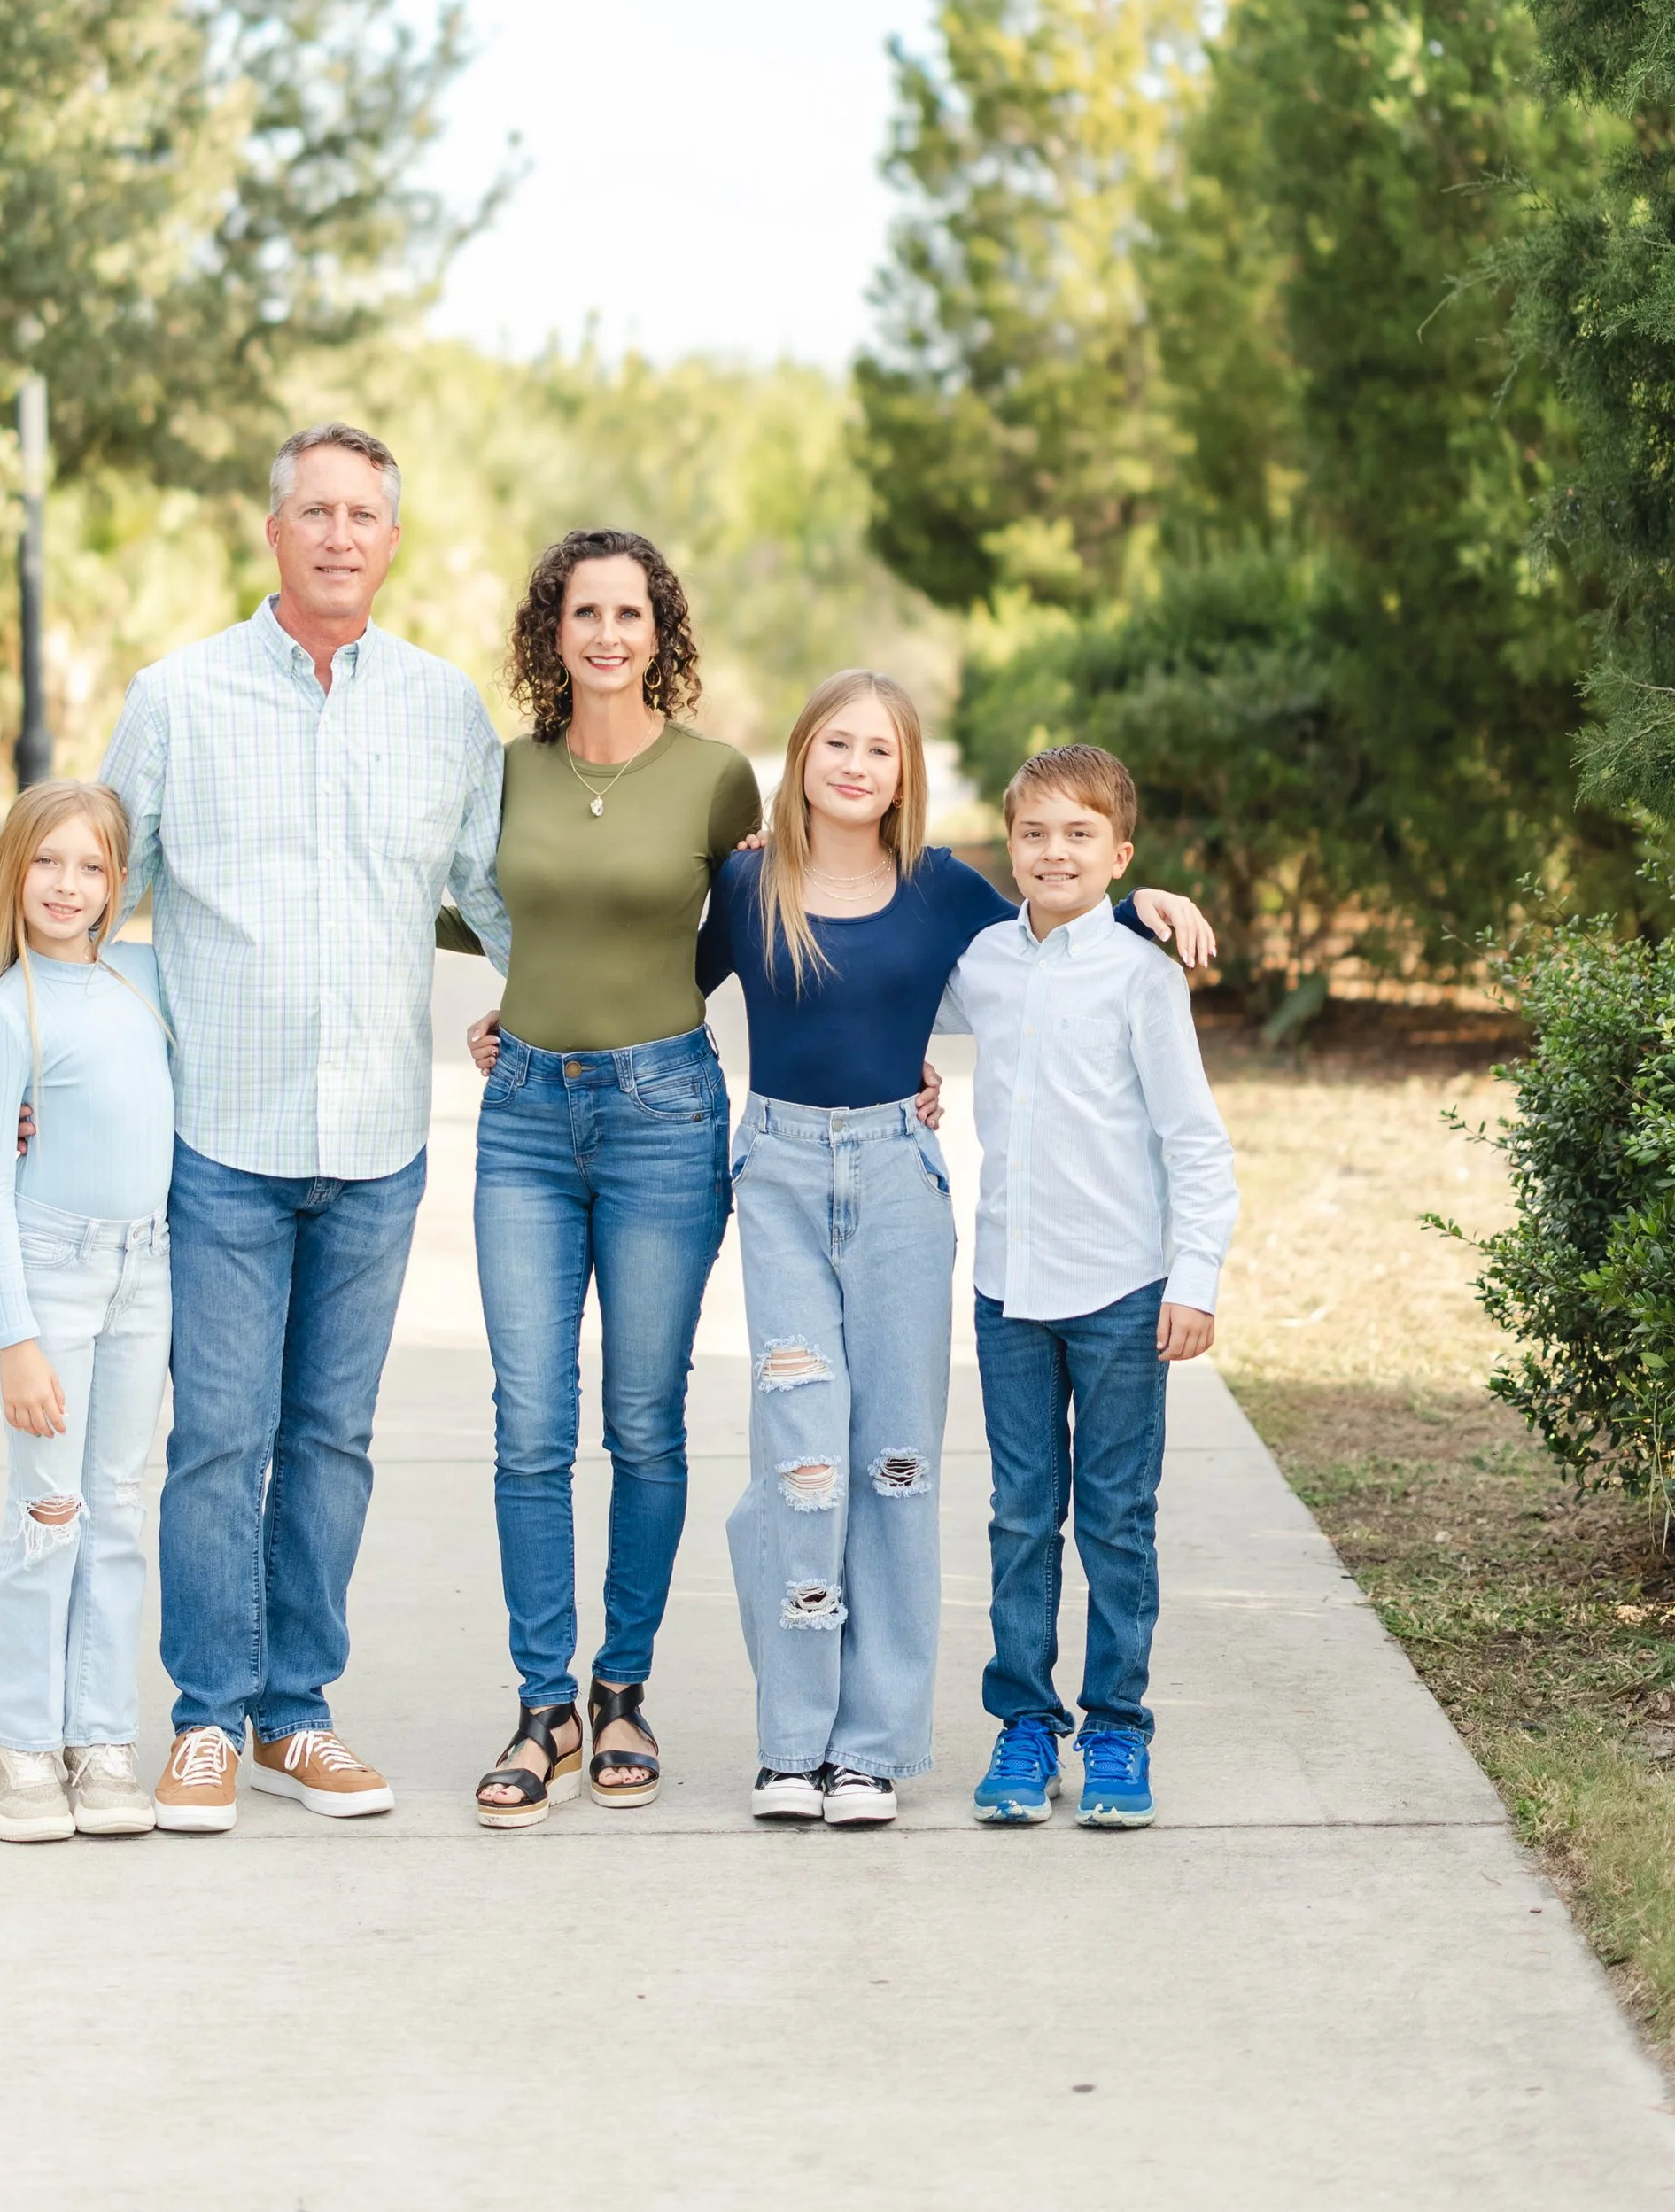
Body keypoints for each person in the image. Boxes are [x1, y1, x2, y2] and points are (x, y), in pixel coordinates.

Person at [696, 676, 1214, 1828]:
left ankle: (876, 1749)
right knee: (800, 1455)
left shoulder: (938, 889)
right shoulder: (747, 880)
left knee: (898, 1464)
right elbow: (663, 990)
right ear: (801, 751)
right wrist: (528, 1021)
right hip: (780, 1172)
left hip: (906, 1186)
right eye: (836, 739)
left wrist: (1146, 905)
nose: (855, 761)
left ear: (906, 770)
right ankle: (794, 1738)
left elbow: (1053, 926)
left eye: (880, 746)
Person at [99, 422, 510, 1835]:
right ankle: (208, 1715)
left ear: (394, 542)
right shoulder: (177, 699)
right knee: (219, 1436)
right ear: (271, 530)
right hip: (222, 1135)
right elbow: (95, 899)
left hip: (381, 1144)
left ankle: (298, 1714)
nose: (340, 534)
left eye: (365, 515)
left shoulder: (445, 711)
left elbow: (503, 899)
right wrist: (44, 1058)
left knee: (332, 1437)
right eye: (315, 511)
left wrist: (609, 990)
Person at [445, 530, 764, 1829]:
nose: (609, 633)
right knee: (530, 1421)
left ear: (661, 627)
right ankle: (542, 1707)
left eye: (631, 611)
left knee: (645, 1417)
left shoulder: (715, 778)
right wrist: (516, 1005)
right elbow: (456, 902)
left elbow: (767, 927)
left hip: (661, 1114)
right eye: (585, 611)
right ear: (552, 630)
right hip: (522, 1114)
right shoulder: (504, 772)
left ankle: (622, 1686)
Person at [942, 742, 1238, 1835]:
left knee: (1116, 1520)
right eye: (1033, 834)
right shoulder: (978, 962)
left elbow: (1193, 1142)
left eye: (1080, 834)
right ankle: (1025, 1723)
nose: (1053, 852)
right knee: (1021, 1515)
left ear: (1120, 852)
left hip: (1121, 1290)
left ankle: (1115, 1726)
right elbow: (877, 1000)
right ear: (1008, 848)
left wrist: (1194, 1278)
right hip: (1010, 1291)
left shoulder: (1141, 972)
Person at [0, 780, 175, 1846]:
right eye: (47, 863)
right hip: (55, 1275)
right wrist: (13, 1340)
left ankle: (103, 1738)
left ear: (120, 883)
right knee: (49, 1515)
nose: (68, 885)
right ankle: (23, 1748)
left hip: (148, 1275)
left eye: (91, 866)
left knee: (120, 1505)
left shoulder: (146, 976)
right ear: (11, 873)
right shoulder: (6, 1013)